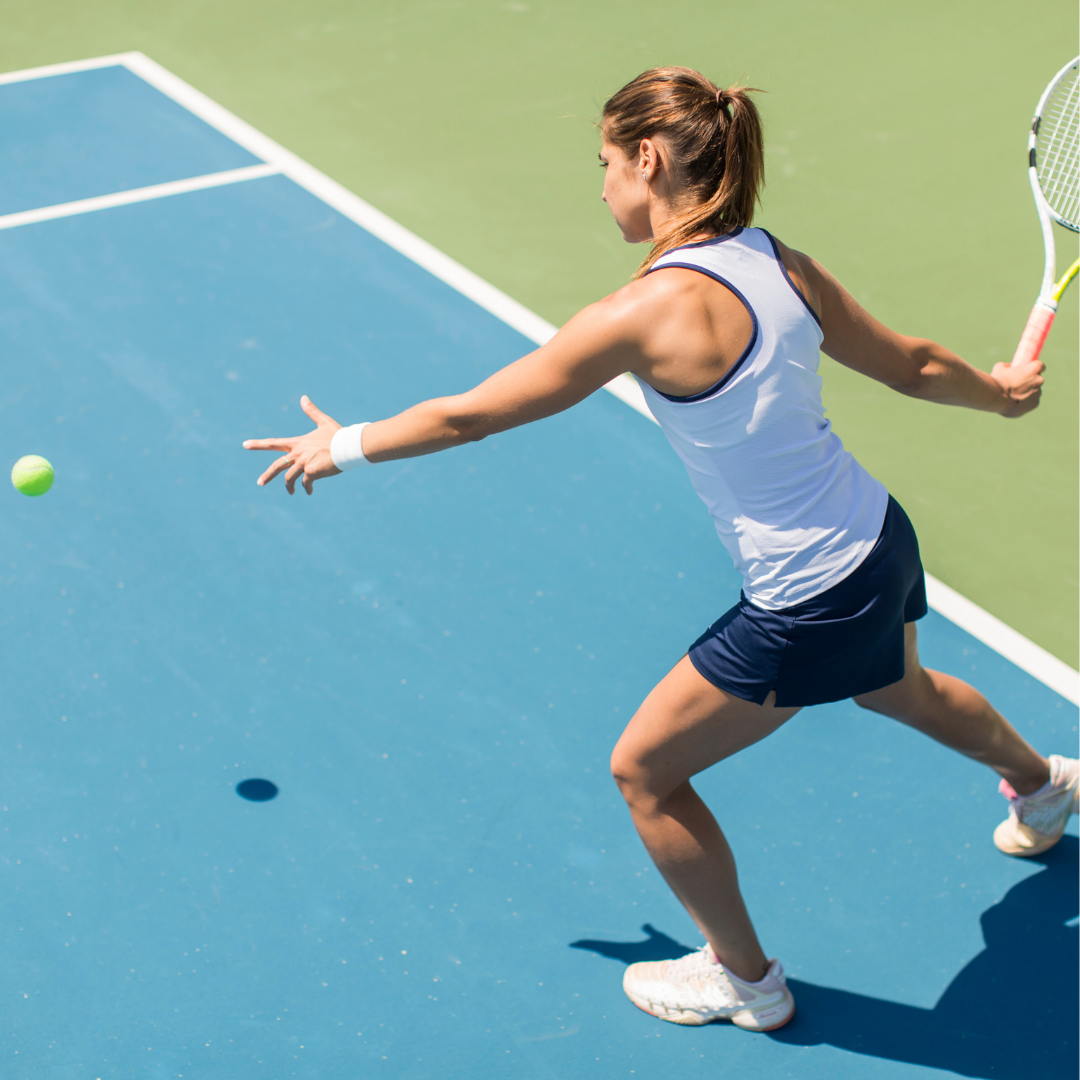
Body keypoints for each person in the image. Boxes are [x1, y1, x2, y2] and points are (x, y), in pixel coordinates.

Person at [243, 66, 1079, 1032]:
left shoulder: (640, 314)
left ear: (648, 160)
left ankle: (747, 980)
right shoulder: (784, 265)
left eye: (603, 163)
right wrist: (1002, 391)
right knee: (899, 686)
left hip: (806, 595)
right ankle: (1043, 783)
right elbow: (919, 366)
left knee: (644, 772)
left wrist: (342, 444)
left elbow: (472, 416)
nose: (599, 185)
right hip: (874, 540)